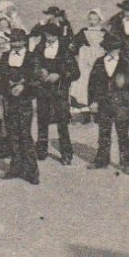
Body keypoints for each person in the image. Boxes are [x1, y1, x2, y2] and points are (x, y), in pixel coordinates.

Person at [86, 34, 129, 174]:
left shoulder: (126, 63)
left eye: (117, 48)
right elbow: (92, 84)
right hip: (103, 104)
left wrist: (126, 87)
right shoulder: (99, 62)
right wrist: (92, 101)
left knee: (123, 134)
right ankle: (101, 160)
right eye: (111, 48)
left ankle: (126, 162)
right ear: (106, 48)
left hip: (121, 104)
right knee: (103, 133)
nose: (114, 51)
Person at [0, 29, 40, 184]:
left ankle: (32, 171)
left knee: (25, 136)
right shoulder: (4, 56)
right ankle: (15, 168)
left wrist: (23, 86)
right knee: (12, 135)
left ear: (24, 41)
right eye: (13, 41)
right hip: (9, 101)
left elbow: (36, 78)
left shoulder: (31, 57)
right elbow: (0, 78)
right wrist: (5, 91)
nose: (15, 44)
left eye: (18, 41)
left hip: (24, 101)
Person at [33, 20, 78, 164]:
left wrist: (59, 75)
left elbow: (75, 72)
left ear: (58, 35)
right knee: (42, 120)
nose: (49, 37)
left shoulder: (65, 49)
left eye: (52, 35)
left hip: (59, 90)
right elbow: (32, 65)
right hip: (43, 89)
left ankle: (66, 154)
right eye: (47, 34)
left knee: (62, 122)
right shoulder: (39, 48)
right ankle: (41, 150)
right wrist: (40, 72)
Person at [70, 8, 106, 118]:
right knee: (82, 80)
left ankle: (96, 106)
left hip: (98, 59)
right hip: (84, 61)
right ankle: (83, 107)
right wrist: (78, 51)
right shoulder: (84, 31)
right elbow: (74, 44)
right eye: (90, 19)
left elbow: (109, 45)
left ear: (99, 20)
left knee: (97, 80)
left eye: (95, 19)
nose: (92, 22)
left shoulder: (103, 33)